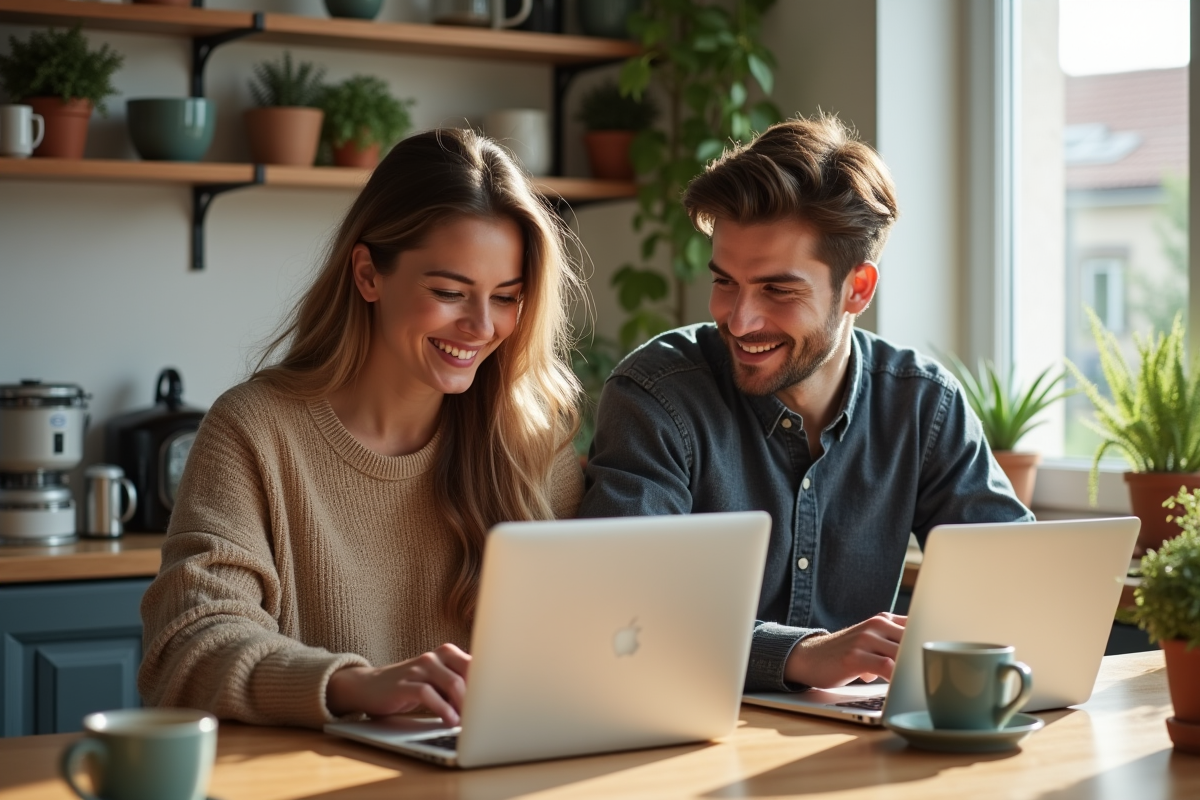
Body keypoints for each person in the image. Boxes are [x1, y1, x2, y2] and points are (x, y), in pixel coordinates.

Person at [138, 129, 584, 730]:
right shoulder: (255, 432)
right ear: (369, 274)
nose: (481, 326)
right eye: (449, 291)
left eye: (506, 297)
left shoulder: (531, 445)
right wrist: (357, 685)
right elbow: (188, 647)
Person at [579, 115, 1032, 694]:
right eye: (725, 282)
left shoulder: (922, 405)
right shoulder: (658, 395)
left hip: (857, 751)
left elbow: (1015, 579)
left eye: (777, 289)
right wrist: (800, 654)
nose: (739, 320)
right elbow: (618, 611)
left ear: (858, 290)